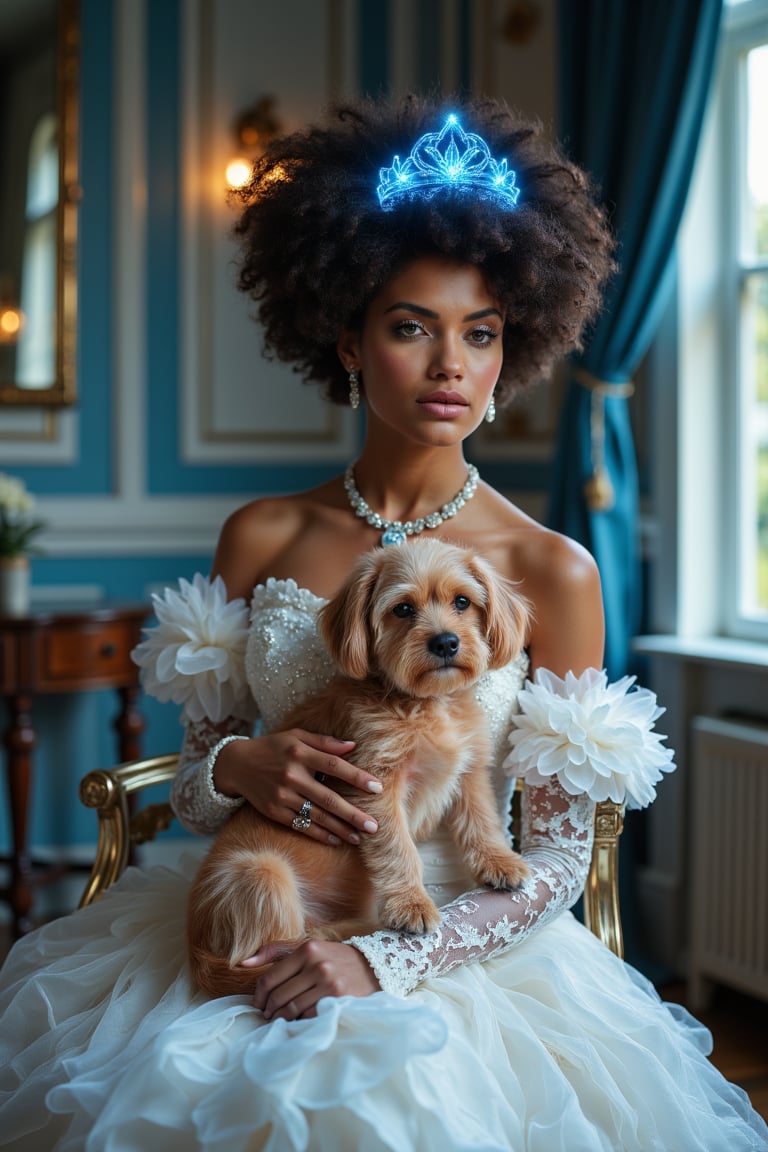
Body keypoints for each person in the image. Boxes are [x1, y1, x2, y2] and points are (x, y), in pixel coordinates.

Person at [1, 94, 766, 1152]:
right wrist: (238, 770)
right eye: (413, 327)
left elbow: (554, 857)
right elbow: (188, 783)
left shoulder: (554, 569)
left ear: (513, 353)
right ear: (348, 339)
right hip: (260, 909)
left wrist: (384, 964)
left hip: (456, 948)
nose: (451, 365)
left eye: (482, 334)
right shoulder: (262, 534)